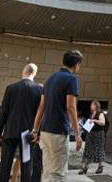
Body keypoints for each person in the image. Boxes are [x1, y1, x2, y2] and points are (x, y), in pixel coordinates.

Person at [31, 50, 84, 182]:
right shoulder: (72, 79)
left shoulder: (49, 79)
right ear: (77, 64)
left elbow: (41, 107)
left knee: (48, 171)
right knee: (58, 173)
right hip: (58, 132)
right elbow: (71, 107)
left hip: (44, 132)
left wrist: (35, 130)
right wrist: (77, 134)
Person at [0, 63, 43, 182]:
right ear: (34, 73)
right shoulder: (39, 89)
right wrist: (38, 133)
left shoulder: (11, 88)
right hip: (28, 133)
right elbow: (40, 113)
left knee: (5, 164)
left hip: (10, 131)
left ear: (24, 71)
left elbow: (4, 112)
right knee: (26, 164)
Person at [79, 101, 107, 175]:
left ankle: (100, 166)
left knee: (98, 149)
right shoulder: (91, 114)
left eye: (93, 105)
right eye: (91, 105)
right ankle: (84, 167)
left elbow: (103, 123)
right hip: (90, 134)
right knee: (87, 150)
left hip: (98, 134)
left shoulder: (100, 113)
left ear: (96, 106)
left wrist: (94, 120)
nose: (91, 106)